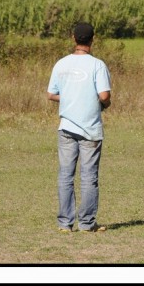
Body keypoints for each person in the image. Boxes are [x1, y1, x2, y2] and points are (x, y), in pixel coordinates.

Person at [47, 22, 112, 233]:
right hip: (90, 130)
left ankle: (65, 223)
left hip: (66, 127)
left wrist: (69, 98)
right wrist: (104, 104)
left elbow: (51, 94)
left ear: (73, 38)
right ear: (93, 39)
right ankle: (86, 223)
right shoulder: (97, 65)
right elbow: (104, 96)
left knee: (65, 175)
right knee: (89, 176)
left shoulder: (61, 64)